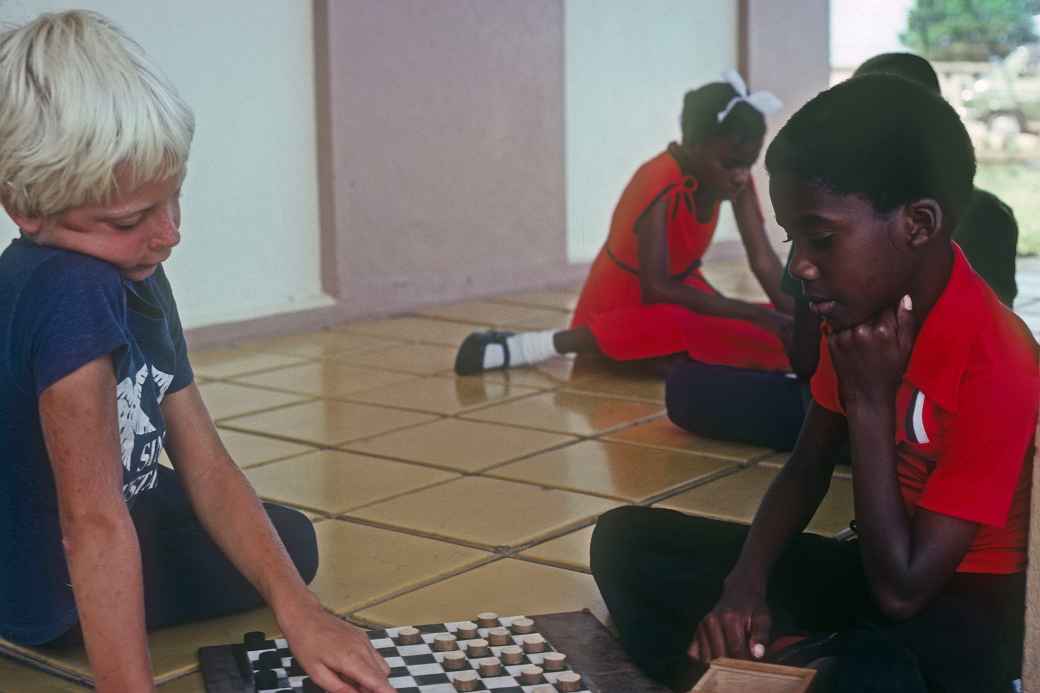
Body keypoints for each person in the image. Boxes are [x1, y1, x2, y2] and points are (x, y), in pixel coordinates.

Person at [591, 74, 1037, 693]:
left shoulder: (1003, 361)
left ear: (918, 223)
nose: (800, 265)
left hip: (958, 607)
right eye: (792, 239)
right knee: (625, 541)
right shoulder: (853, 317)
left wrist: (870, 403)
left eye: (821, 238)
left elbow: (904, 591)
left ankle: (789, 665)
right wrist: (743, 587)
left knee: (878, 677)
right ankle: (782, 662)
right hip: (871, 570)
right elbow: (807, 467)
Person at [0, 12, 393, 693]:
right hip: (41, 579)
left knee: (289, 545)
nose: (169, 234)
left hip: (110, 506)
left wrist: (302, 612)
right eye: (130, 219)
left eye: (172, 199)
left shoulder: (135, 268)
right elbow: (91, 523)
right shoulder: (67, 292)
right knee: (267, 551)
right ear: (23, 208)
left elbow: (204, 460)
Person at [454, 71, 794, 376]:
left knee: (768, 330)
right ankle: (537, 346)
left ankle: (663, 353)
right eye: (730, 164)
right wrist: (751, 315)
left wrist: (804, 317)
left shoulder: (737, 183)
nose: (740, 176)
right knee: (693, 326)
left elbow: (763, 261)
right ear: (693, 145)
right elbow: (657, 288)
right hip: (626, 302)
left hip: (684, 296)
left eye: (748, 164)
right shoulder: (658, 179)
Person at [785, 52, 1019, 382]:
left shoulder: (827, 217)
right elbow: (1000, 344)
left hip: (873, 397)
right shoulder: (993, 216)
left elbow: (805, 356)